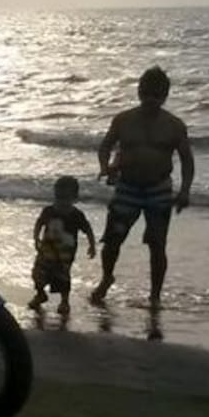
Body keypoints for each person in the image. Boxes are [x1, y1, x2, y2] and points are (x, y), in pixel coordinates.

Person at [90, 66, 194, 309]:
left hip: (159, 189)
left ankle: (155, 295)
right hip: (127, 187)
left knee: (157, 244)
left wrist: (185, 190)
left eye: (156, 96)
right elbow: (105, 146)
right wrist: (105, 167)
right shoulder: (123, 119)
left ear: (165, 96)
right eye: (147, 95)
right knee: (113, 239)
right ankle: (107, 277)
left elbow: (187, 160)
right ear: (139, 92)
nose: (151, 101)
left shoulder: (174, 125)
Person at [29, 176, 95, 316]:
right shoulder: (48, 211)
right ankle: (40, 294)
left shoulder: (76, 215)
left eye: (66, 198)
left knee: (63, 277)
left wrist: (92, 245)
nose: (62, 202)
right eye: (58, 197)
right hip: (46, 250)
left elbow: (87, 229)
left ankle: (64, 301)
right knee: (38, 273)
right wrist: (36, 238)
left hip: (65, 253)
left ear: (74, 197)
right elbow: (39, 223)